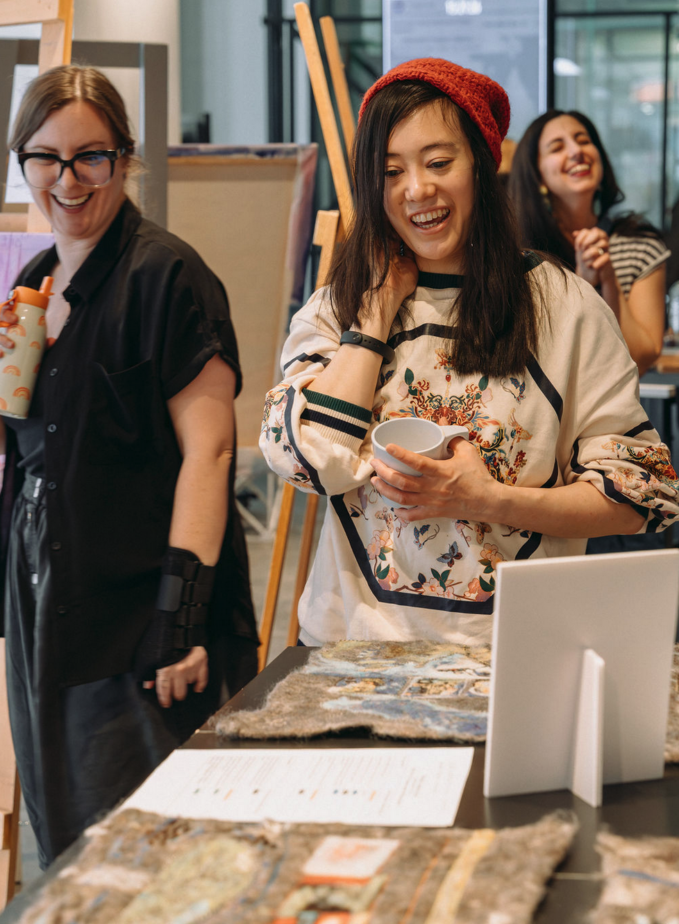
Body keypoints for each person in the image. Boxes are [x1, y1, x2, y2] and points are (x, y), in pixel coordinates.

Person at [261, 58, 679, 649]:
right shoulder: (339, 305)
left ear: (481, 166)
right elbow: (308, 461)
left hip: (511, 657)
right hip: (352, 655)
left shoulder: (564, 306)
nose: (417, 190)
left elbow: (639, 494)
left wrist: (488, 499)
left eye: (438, 163)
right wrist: (374, 317)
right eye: (391, 171)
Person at [0, 65, 258, 867]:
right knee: (67, 832)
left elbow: (210, 453)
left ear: (124, 158)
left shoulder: (166, 276)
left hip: (136, 609)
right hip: (48, 599)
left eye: (90, 157)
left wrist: (179, 623)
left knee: (150, 849)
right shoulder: (37, 282)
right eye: (45, 158)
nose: (67, 180)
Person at [508, 110, 669, 375]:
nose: (576, 151)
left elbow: (639, 360)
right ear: (537, 175)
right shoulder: (518, 254)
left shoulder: (640, 245)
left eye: (583, 140)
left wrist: (608, 280)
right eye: (557, 147)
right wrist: (582, 284)